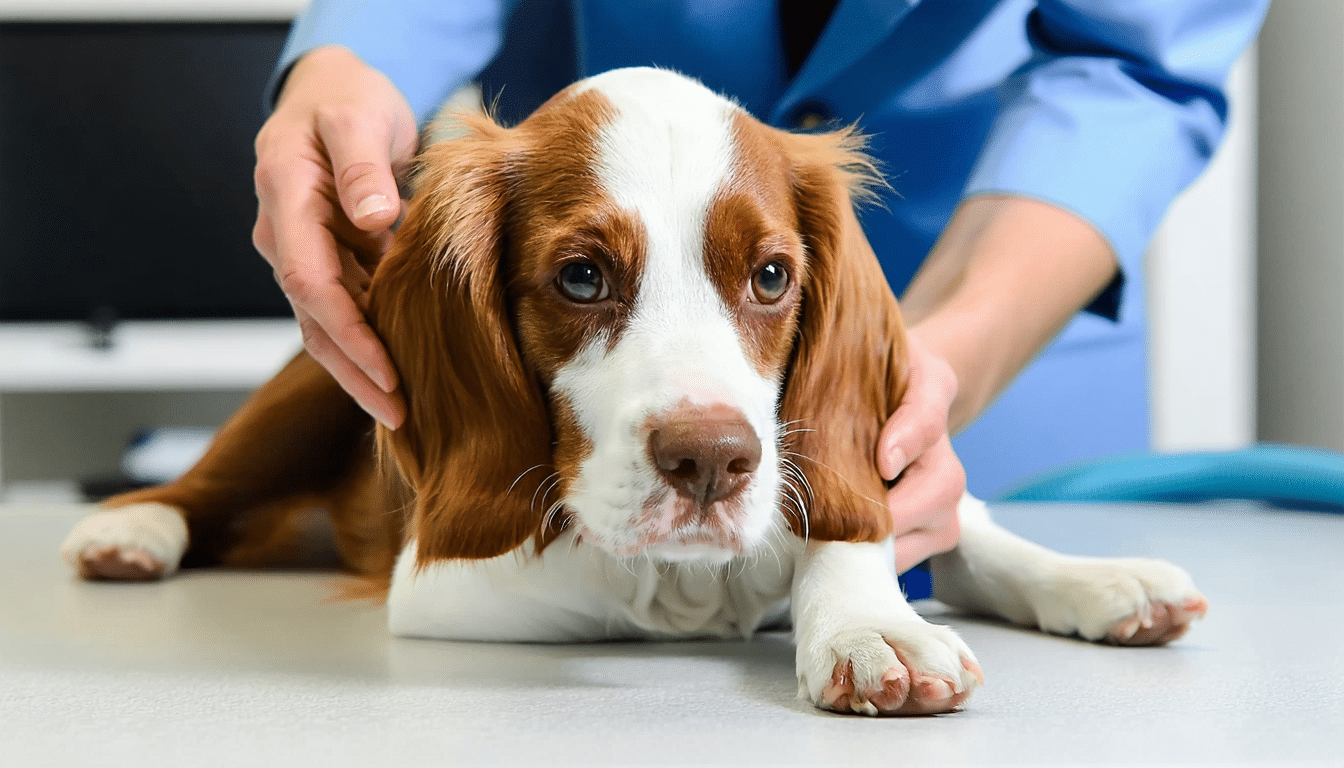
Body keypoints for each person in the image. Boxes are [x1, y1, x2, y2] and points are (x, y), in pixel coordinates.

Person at [251, 0, 1269, 574]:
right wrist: (350, 58)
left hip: (996, 320)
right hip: (558, 456)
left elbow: (1137, 65)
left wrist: (937, 357)